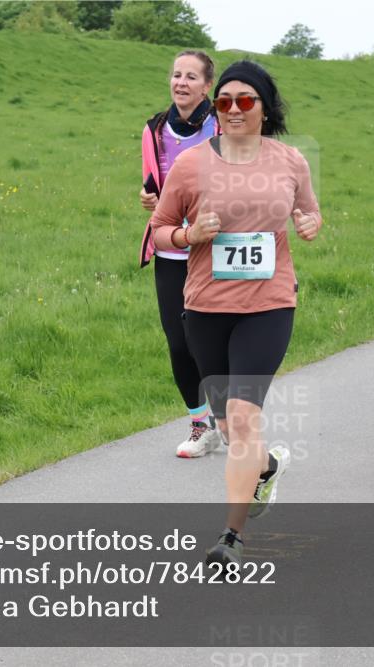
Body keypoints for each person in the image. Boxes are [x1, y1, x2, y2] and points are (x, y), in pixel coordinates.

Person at [149, 60, 322, 566]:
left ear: (265, 108)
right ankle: (266, 466)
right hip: (206, 306)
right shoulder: (191, 165)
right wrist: (189, 235)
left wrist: (310, 224)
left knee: (245, 417)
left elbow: (309, 210)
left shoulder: (290, 160)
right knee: (229, 428)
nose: (233, 109)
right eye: (224, 101)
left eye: (245, 100)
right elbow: (159, 230)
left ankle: (231, 537)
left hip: (269, 304)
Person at [138, 50, 222, 458]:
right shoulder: (154, 129)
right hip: (171, 249)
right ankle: (200, 425)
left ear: (207, 85)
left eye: (191, 76)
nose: (181, 83)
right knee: (178, 343)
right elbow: (152, 185)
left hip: (217, 250)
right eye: (176, 75)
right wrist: (148, 197)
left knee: (211, 341)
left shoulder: (222, 124)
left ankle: (230, 417)